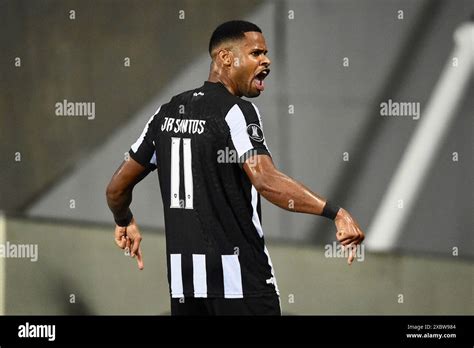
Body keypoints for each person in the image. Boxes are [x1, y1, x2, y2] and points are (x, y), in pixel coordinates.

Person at [106, 20, 364, 316]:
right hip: (241, 282)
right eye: (256, 53)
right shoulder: (236, 111)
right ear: (225, 58)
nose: (266, 60)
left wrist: (123, 218)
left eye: (266, 53)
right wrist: (335, 212)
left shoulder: (165, 114)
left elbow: (116, 188)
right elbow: (265, 181)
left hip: (185, 287)